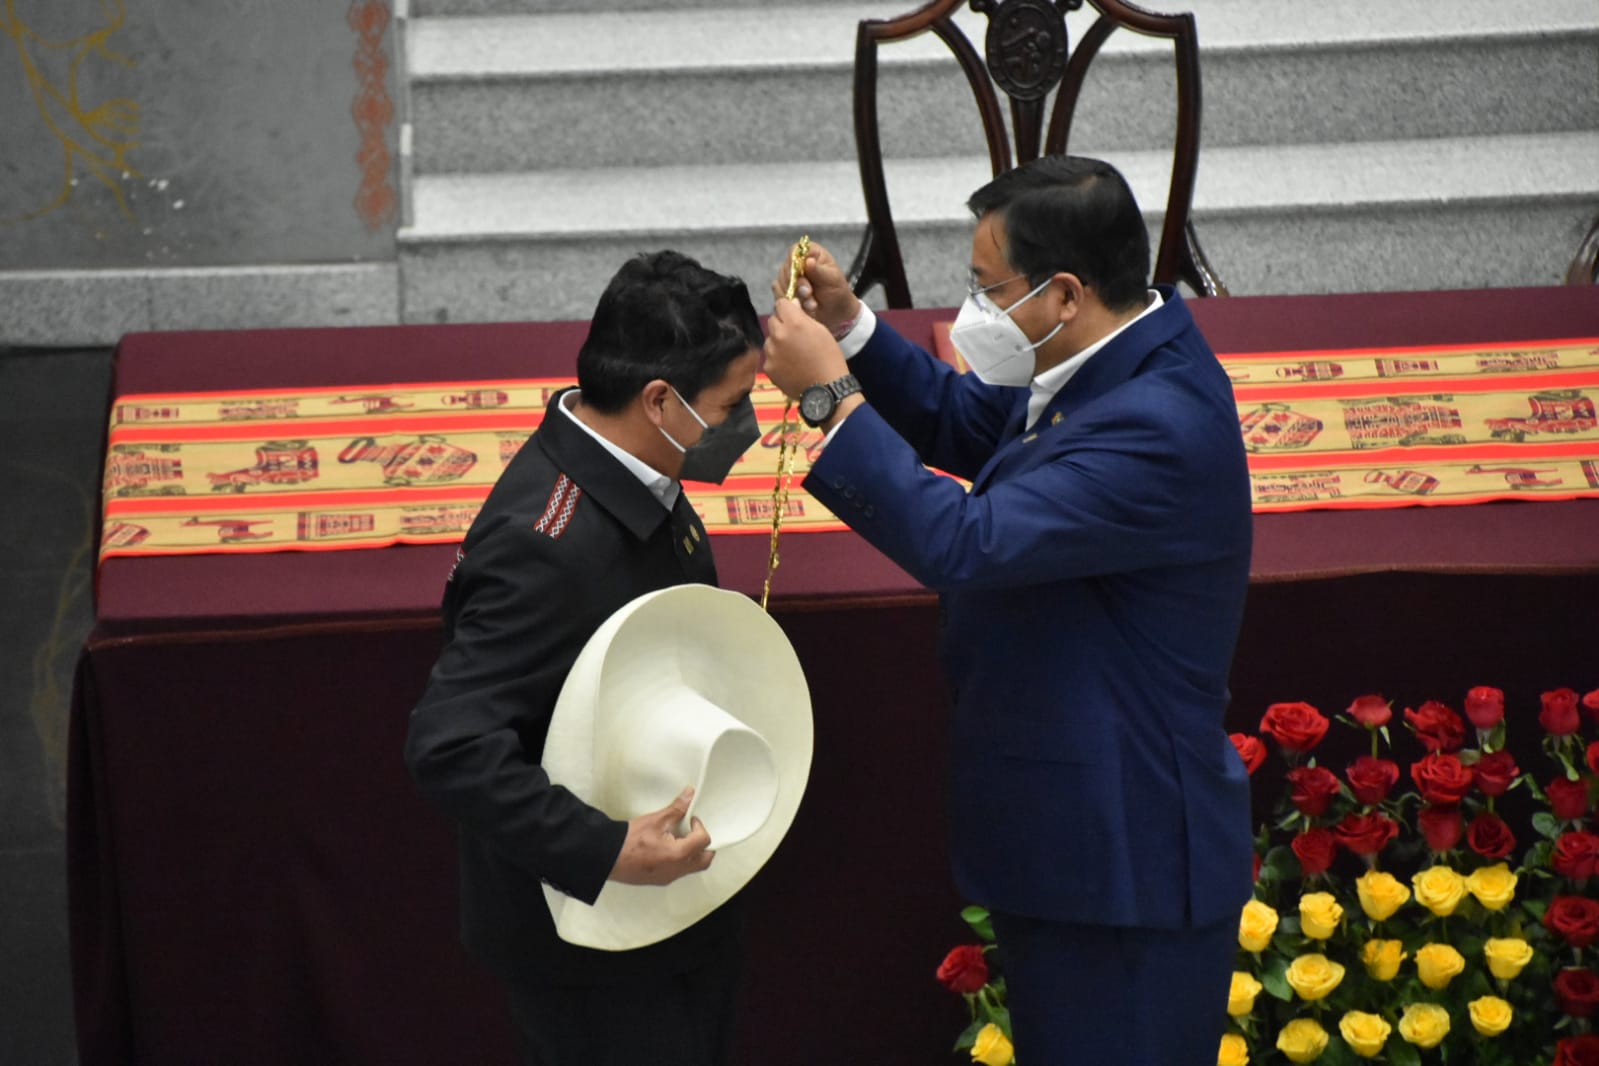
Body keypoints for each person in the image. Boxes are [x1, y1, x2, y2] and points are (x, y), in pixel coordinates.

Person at [761, 155, 1254, 1064]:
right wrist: (851, 330)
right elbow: (979, 426)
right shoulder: (1115, 355)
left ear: (1064, 292)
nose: (975, 311)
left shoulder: (1157, 424)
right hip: (1075, 843)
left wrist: (830, 398)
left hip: (1124, 865)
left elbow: (965, 541)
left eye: (990, 289)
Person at [405, 250, 765, 1066]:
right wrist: (603, 850)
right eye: (732, 405)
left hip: (672, 913)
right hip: (591, 947)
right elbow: (449, 746)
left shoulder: (638, 471)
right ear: (659, 400)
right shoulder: (547, 545)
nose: (746, 426)